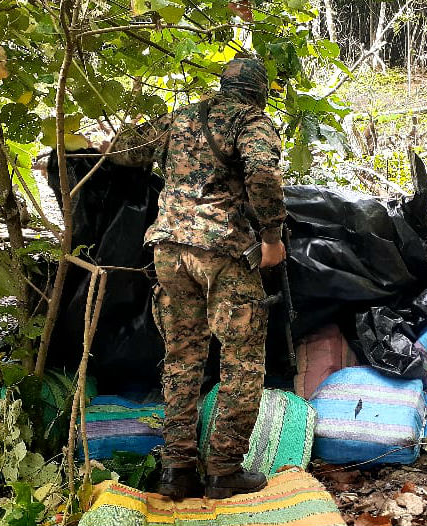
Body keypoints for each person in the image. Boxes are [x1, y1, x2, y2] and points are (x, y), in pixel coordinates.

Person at [109, 57, 286, 500]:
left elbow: (124, 149)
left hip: (168, 251)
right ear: (260, 91)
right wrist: (271, 236)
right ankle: (224, 470)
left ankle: (176, 469)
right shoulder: (251, 120)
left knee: (181, 359)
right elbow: (263, 172)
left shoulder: (181, 116)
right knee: (241, 362)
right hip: (223, 253)